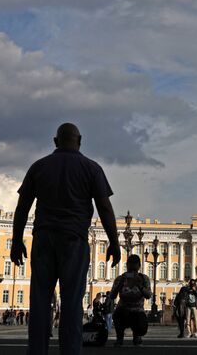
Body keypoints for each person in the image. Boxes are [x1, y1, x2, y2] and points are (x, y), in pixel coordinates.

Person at [10, 122, 121, 355]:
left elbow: (22, 207)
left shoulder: (38, 167)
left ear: (55, 141)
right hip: (74, 240)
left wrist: (17, 240)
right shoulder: (91, 168)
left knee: (40, 303)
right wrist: (114, 241)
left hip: (43, 239)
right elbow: (105, 208)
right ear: (79, 141)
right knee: (71, 304)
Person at [108, 254, 151, 346]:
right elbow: (112, 296)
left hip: (138, 312)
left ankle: (137, 336)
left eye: (134, 270)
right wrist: (120, 284)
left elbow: (148, 295)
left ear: (139, 267)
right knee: (117, 315)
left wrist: (139, 285)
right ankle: (119, 338)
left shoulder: (144, 279)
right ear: (126, 266)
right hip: (123, 311)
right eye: (130, 270)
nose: (132, 272)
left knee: (141, 326)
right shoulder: (120, 279)